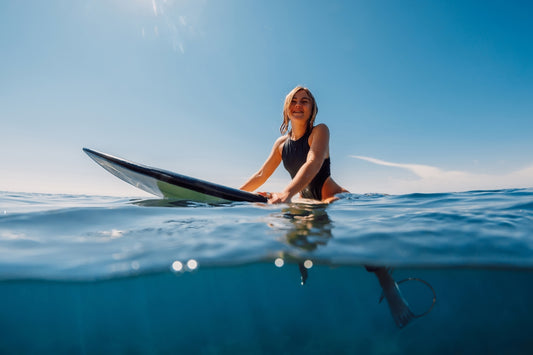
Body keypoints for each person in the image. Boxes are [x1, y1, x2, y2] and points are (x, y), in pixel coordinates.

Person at [240, 86, 347, 204]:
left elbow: (313, 162)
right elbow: (261, 175)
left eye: (304, 101)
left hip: (336, 199)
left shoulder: (320, 131)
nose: (298, 105)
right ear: (286, 108)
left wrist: (286, 193)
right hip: (308, 202)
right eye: (293, 101)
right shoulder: (281, 144)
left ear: (312, 109)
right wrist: (233, 194)